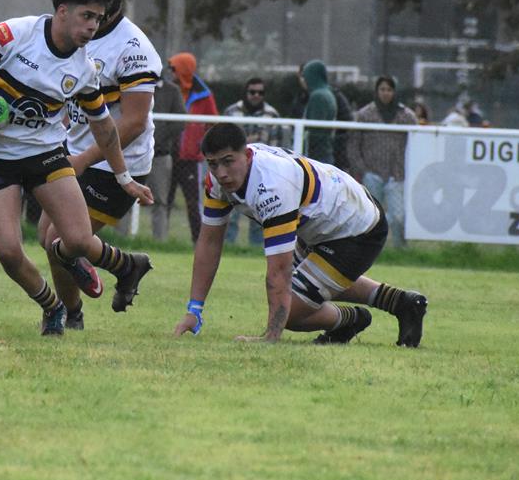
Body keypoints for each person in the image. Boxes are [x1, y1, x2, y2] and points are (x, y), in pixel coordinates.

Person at [0, 0, 155, 337]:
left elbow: (104, 127)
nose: (93, 26)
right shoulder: (15, 34)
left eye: (99, 19)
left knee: (71, 241)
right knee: (9, 252)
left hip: (46, 155)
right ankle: (52, 306)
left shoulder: (84, 69)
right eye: (87, 16)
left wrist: (124, 177)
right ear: (62, 11)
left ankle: (126, 266)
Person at [172, 123, 428, 347]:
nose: (221, 173)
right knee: (309, 286)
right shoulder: (216, 182)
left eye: (228, 161)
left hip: (356, 229)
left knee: (291, 311)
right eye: (213, 164)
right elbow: (209, 242)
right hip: (325, 218)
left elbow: (278, 271)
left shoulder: (272, 187)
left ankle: (348, 320)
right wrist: (194, 310)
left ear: (247, 155)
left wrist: (271, 336)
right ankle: (401, 303)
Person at [36, 0, 163, 331]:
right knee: (49, 239)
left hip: (117, 162)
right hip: (74, 152)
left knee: (61, 241)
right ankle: (80, 305)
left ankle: (86, 300)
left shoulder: (134, 47)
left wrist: (84, 158)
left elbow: (135, 122)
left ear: (112, 2)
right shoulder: (71, 31)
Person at [347, 76, 418, 246]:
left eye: (389, 90)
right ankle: (368, 250)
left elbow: (416, 143)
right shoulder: (364, 115)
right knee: (370, 218)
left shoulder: (406, 116)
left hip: (397, 174)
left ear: (394, 92)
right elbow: (353, 144)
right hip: (372, 173)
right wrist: (363, 170)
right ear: (376, 91)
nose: (386, 93)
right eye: (382, 89)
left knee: (398, 217)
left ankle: (400, 251)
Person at [221, 76, 282, 245]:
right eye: (252, 92)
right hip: (234, 170)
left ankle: (256, 249)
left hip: (261, 172)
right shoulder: (231, 112)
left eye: (260, 92)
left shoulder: (272, 115)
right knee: (231, 213)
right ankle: (229, 247)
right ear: (245, 92)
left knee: (259, 215)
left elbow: (276, 147)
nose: (256, 95)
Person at [169, 52, 218, 243]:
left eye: (174, 68)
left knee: (193, 203)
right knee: (164, 200)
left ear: (184, 69)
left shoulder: (204, 95)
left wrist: (200, 144)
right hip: (169, 154)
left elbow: (213, 122)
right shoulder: (171, 90)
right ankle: (161, 240)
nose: (171, 73)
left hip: (190, 158)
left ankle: (198, 242)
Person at [149, 67, 185, 241]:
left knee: (160, 201)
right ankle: (120, 239)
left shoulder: (172, 91)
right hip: (132, 153)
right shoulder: (132, 86)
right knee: (124, 199)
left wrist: (158, 137)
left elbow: (180, 121)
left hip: (160, 154)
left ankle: (160, 240)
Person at [298, 59, 339, 165]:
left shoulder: (318, 96)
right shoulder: (327, 93)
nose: (303, 80)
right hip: (326, 152)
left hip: (318, 156)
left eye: (305, 76)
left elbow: (315, 130)